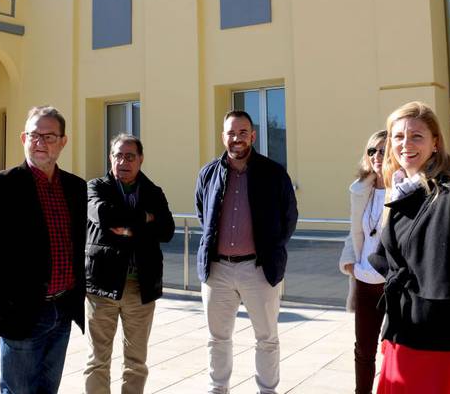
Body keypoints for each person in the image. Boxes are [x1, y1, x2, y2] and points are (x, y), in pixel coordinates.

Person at [369, 101, 450, 394]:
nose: (406, 144)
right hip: (402, 338)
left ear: (435, 142)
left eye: (417, 136)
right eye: (398, 137)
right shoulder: (403, 189)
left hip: (439, 347)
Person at [0, 106, 87, 394]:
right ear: (23, 137)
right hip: (21, 312)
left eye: (49, 136)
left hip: (63, 309)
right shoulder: (0, 185)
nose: (40, 143)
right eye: (34, 135)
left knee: (48, 388)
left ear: (63, 141)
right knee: (18, 389)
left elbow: (82, 242)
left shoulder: (76, 187)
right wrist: (8, 294)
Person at [195, 110, 298, 394]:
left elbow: (289, 217)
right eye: (231, 133)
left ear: (252, 136)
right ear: (223, 136)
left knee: (266, 338)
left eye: (243, 133)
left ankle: (266, 390)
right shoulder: (208, 173)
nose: (237, 138)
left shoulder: (274, 173)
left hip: (258, 269)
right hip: (218, 271)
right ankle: (218, 389)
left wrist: (271, 249)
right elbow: (204, 214)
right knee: (217, 338)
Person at [83, 133, 175, 394]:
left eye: (130, 156)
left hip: (140, 288)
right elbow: (102, 215)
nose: (123, 161)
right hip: (101, 288)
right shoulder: (95, 187)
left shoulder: (153, 192)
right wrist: (145, 218)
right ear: (110, 158)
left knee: (136, 363)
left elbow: (167, 230)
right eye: (118, 155)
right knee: (97, 361)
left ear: (141, 160)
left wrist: (128, 227)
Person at [339, 130, 387, 394]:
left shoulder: (403, 186)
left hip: (392, 283)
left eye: (382, 149)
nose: (377, 156)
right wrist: (350, 264)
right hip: (364, 281)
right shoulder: (361, 189)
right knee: (364, 350)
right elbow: (354, 231)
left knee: (393, 349)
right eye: (372, 151)